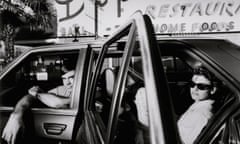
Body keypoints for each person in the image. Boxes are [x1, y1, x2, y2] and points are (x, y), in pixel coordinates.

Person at [1, 69, 75, 144]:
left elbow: (59, 103)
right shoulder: (63, 89)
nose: (67, 83)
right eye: (64, 78)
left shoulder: (83, 93)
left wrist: (37, 94)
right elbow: (29, 97)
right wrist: (16, 115)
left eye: (72, 77)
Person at [177, 66, 218, 144]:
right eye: (192, 84)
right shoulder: (199, 104)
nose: (194, 89)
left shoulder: (202, 114)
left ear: (212, 90)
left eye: (201, 86)